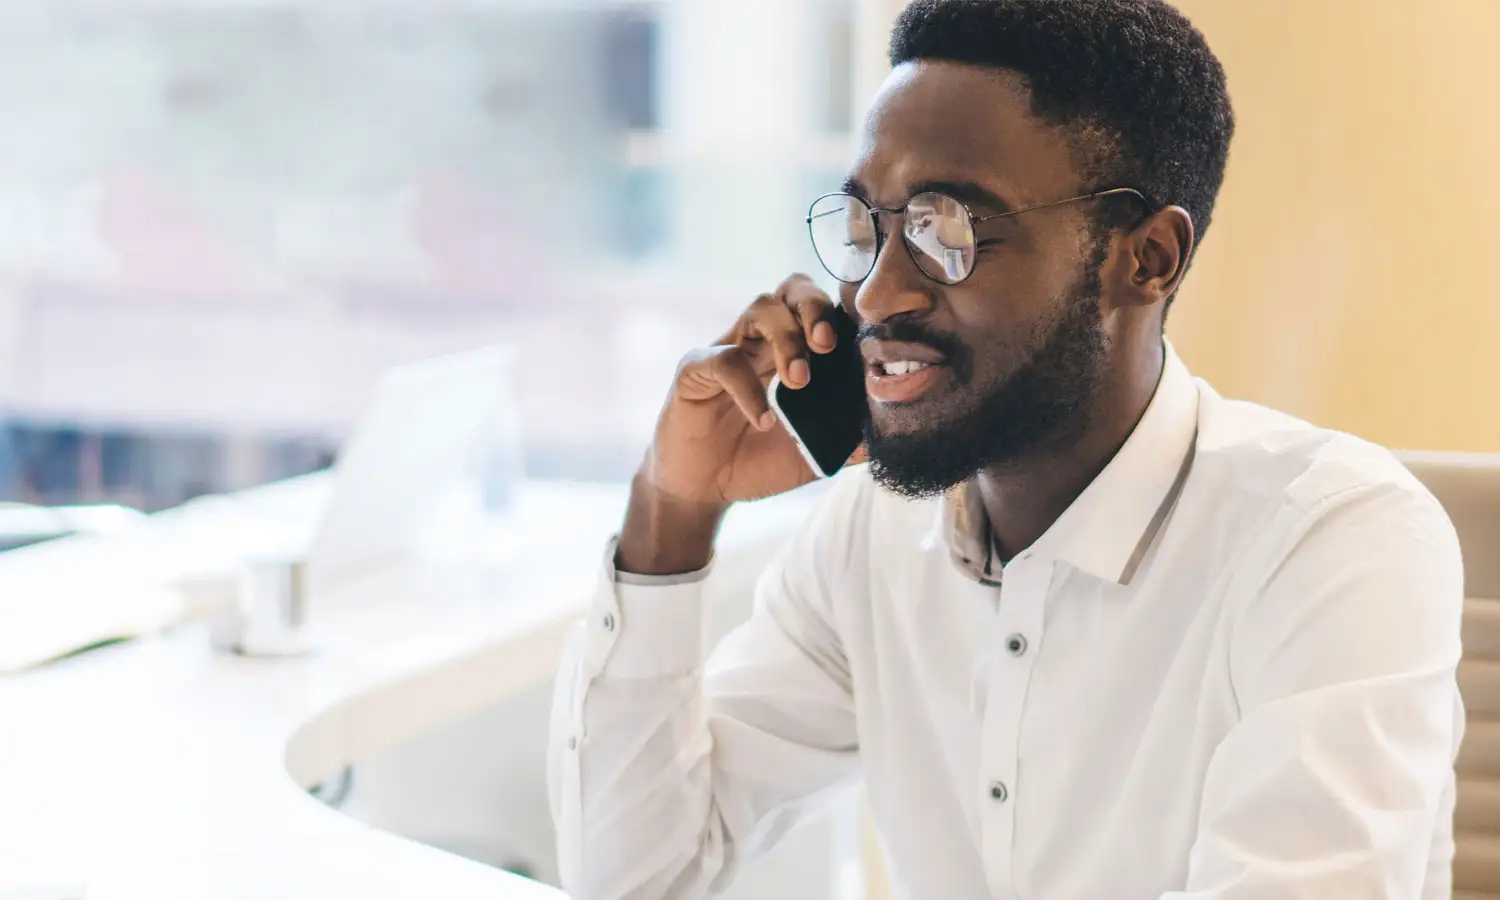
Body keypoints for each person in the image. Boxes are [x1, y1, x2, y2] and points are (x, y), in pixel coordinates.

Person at [548, 1, 1465, 897]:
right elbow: (636, 877)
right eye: (868, 226)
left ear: (1144, 259)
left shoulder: (1333, 542)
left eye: (948, 230)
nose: (873, 295)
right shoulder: (870, 538)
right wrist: (672, 510)